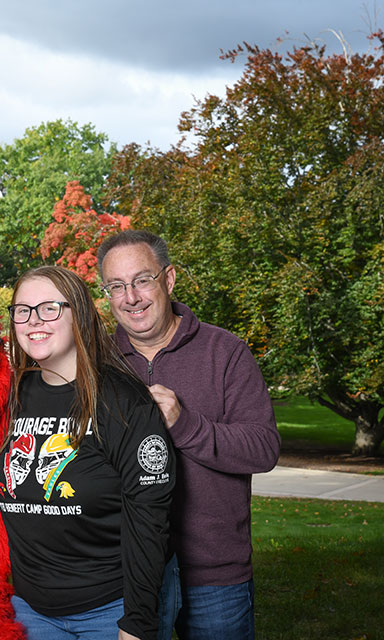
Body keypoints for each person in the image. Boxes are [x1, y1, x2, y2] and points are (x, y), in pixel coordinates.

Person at [97, 230, 281, 640]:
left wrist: (184, 423)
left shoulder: (225, 351)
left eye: (142, 280)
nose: (131, 297)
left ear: (169, 279)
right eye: (116, 286)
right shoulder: (98, 362)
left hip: (215, 575)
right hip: (131, 576)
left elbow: (264, 448)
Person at [0, 265, 175, 640]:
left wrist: (137, 624)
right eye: (22, 310)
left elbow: (149, 523)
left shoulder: (123, 402)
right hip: (30, 610)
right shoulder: (9, 397)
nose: (32, 320)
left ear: (79, 313)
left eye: (49, 308)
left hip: (110, 610)